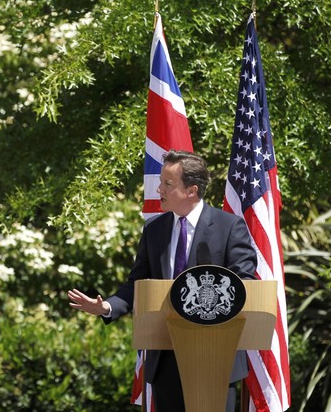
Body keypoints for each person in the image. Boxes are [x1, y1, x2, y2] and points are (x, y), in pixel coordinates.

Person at [67, 149, 257, 412]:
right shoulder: (154, 229)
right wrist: (107, 307)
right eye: (161, 183)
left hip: (214, 357)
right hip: (165, 358)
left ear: (191, 191)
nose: (159, 190)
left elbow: (242, 284)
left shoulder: (229, 227)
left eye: (168, 184)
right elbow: (138, 282)